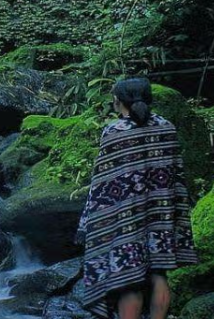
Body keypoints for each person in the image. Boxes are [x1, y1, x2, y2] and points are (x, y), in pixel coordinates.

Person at [76, 77, 198, 319]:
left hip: (126, 216)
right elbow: (176, 174)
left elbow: (102, 183)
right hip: (161, 213)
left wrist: (88, 222)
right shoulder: (167, 126)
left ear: (118, 101)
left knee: (127, 279)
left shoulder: (114, 132)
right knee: (158, 273)